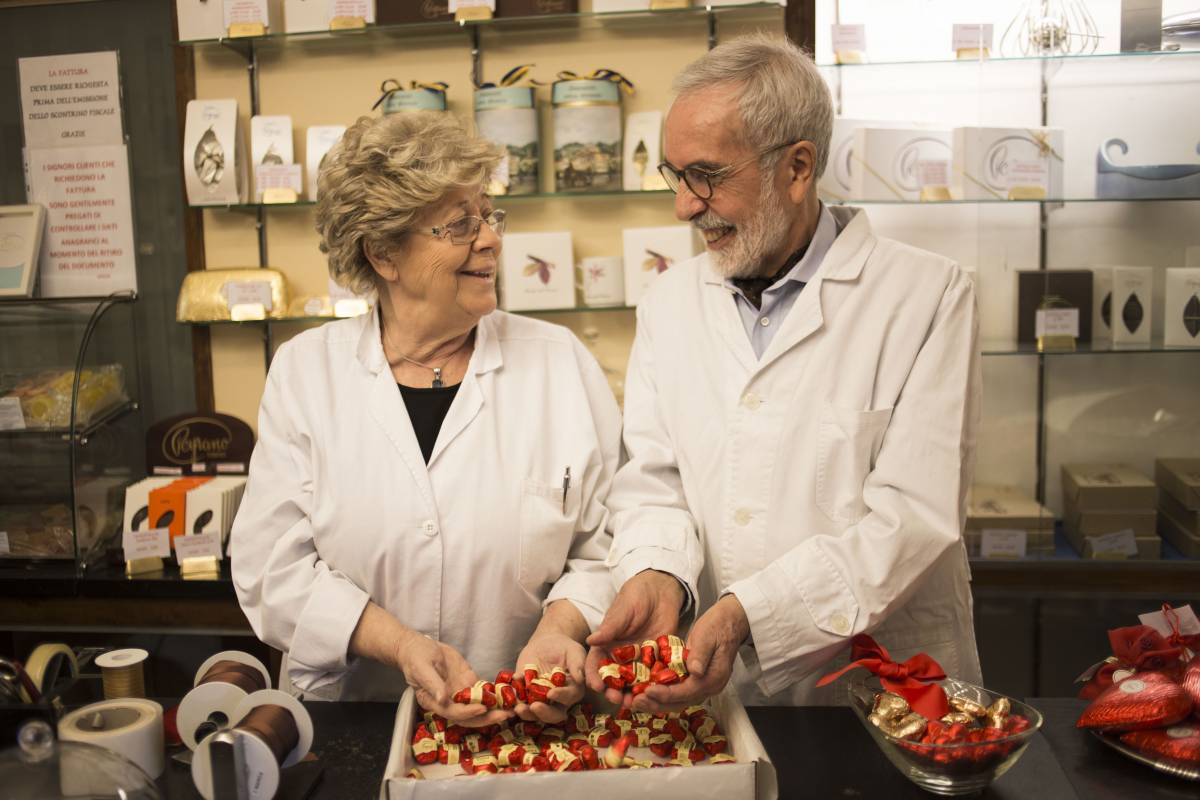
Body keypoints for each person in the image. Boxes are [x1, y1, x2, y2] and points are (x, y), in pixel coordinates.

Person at [586, 34, 983, 709]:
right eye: (674, 176)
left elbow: (915, 516)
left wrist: (750, 612)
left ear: (797, 168)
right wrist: (658, 573)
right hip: (710, 685)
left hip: (884, 688)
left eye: (705, 175)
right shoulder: (668, 302)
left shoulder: (929, 296)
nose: (683, 206)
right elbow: (654, 480)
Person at [231, 111, 621, 726]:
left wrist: (560, 626)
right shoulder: (306, 373)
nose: (490, 239)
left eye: (489, 216)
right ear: (384, 253)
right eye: (460, 224)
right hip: (358, 717)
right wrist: (399, 644)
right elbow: (269, 568)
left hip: (533, 721)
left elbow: (609, 543)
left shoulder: (558, 363)